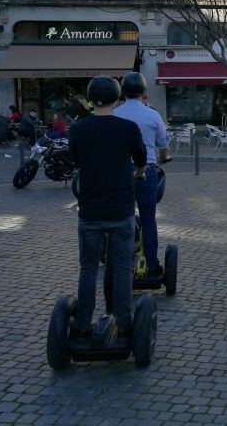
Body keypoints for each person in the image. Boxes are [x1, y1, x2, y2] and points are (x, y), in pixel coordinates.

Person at [67, 76, 147, 342]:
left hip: (89, 210)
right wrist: (138, 173)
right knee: (123, 267)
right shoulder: (128, 128)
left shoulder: (78, 130)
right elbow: (141, 159)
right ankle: (123, 323)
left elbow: (76, 160)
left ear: (90, 100)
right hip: (120, 210)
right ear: (117, 99)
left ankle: (82, 324)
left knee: (88, 268)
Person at [115, 72, 171, 279]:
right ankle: (152, 265)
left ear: (122, 92)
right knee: (148, 220)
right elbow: (163, 147)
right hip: (146, 171)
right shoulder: (152, 115)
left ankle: (121, 264)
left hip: (121, 174)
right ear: (144, 91)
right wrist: (163, 158)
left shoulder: (115, 114)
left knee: (124, 219)